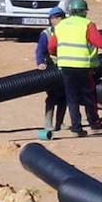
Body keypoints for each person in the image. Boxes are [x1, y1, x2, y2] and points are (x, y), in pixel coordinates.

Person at [48, 0, 102, 136]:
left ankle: (76, 129)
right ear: (84, 12)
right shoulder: (87, 24)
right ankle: (95, 125)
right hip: (83, 66)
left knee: (71, 98)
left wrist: (59, 54)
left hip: (65, 66)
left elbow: (51, 47)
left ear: (70, 11)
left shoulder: (61, 26)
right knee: (89, 97)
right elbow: (101, 42)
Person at [36, 7, 67, 140]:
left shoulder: (68, 32)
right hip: (50, 69)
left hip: (65, 68)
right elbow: (40, 51)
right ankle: (48, 123)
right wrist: (41, 63)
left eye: (59, 17)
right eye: (54, 18)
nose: (56, 20)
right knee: (52, 97)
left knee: (64, 97)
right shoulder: (47, 34)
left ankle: (59, 123)